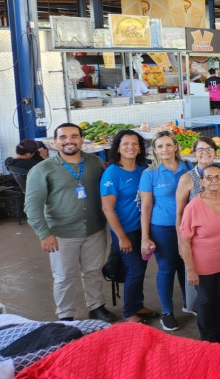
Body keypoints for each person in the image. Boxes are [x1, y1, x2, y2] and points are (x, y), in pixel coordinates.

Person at [25, 123, 118, 323]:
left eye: (74, 136)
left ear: (81, 139)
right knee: (64, 277)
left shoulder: (94, 163)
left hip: (94, 230)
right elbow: (32, 207)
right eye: (63, 137)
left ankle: (96, 307)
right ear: (55, 141)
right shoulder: (42, 170)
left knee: (93, 271)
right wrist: (44, 233)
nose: (69, 141)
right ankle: (65, 315)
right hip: (61, 234)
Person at [179, 164, 220, 344]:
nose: (214, 181)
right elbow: (184, 241)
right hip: (203, 267)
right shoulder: (193, 207)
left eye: (218, 177)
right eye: (209, 177)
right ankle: (208, 340)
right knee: (206, 302)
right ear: (201, 182)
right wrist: (190, 270)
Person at [100, 130, 157, 323]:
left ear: (140, 148)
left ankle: (138, 304)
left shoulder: (143, 168)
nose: (130, 147)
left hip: (144, 229)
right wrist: (121, 237)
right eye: (125, 144)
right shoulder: (112, 173)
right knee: (134, 270)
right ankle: (129, 312)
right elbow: (107, 209)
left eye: (135, 144)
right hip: (125, 230)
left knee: (141, 267)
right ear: (117, 147)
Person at [140, 131, 192, 331]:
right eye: (160, 146)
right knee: (167, 268)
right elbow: (146, 207)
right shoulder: (150, 174)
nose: (165, 150)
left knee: (185, 265)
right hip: (163, 227)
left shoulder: (188, 168)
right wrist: (145, 237)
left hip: (187, 226)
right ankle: (167, 312)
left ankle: (190, 303)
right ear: (154, 150)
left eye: (168, 145)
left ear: (176, 146)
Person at [175, 136, 219, 317]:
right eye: (200, 150)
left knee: (217, 275)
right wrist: (180, 240)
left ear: (215, 153)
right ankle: (198, 312)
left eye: (209, 149)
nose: (205, 153)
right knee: (196, 276)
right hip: (195, 238)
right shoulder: (187, 178)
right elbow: (179, 213)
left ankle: (214, 309)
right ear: (194, 154)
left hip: (217, 237)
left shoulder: (219, 174)